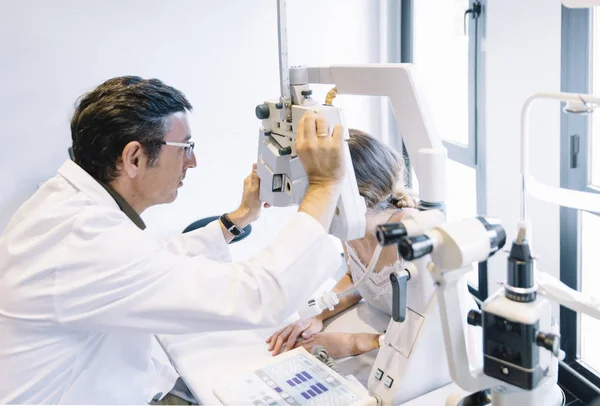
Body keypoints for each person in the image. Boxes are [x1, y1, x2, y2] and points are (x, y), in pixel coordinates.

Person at [0, 76, 346, 404]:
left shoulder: (66, 205)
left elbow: (149, 259)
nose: (192, 162)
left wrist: (236, 220)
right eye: (185, 147)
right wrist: (324, 185)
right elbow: (258, 296)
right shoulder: (82, 239)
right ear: (133, 158)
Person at [267, 129, 419, 359]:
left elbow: (431, 327)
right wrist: (318, 315)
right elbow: (356, 278)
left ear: (354, 197)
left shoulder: (411, 232)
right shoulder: (350, 226)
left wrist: (354, 343)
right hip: (386, 339)